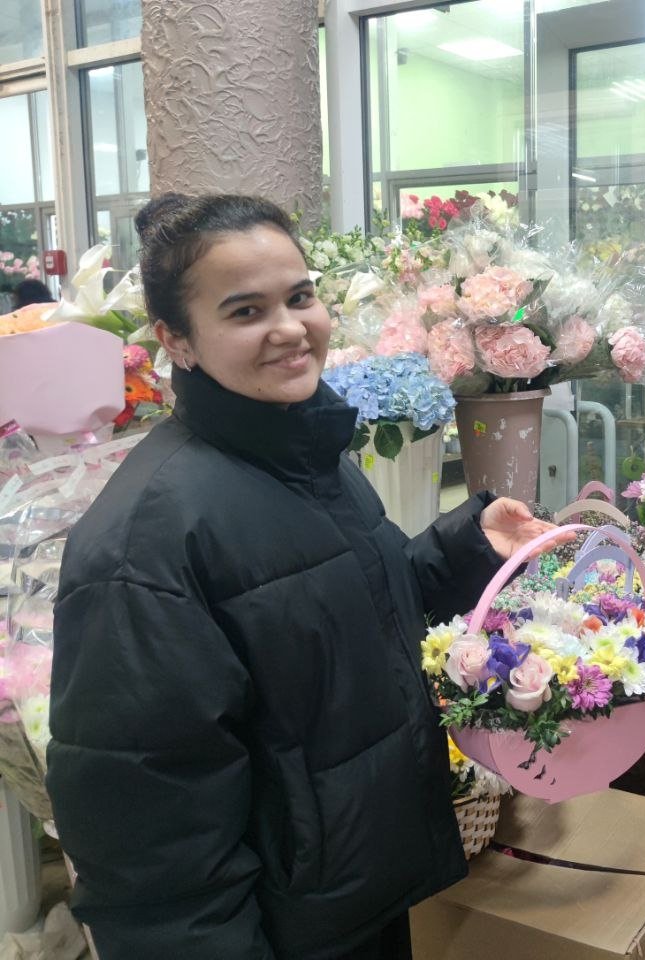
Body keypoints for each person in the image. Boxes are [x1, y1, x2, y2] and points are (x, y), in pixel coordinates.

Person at [46, 193, 564, 960]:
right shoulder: (144, 548)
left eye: (299, 297)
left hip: (353, 901)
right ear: (176, 339)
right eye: (246, 311)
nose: (290, 328)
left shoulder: (309, 459)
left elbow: (343, 614)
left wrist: (467, 546)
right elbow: (152, 858)